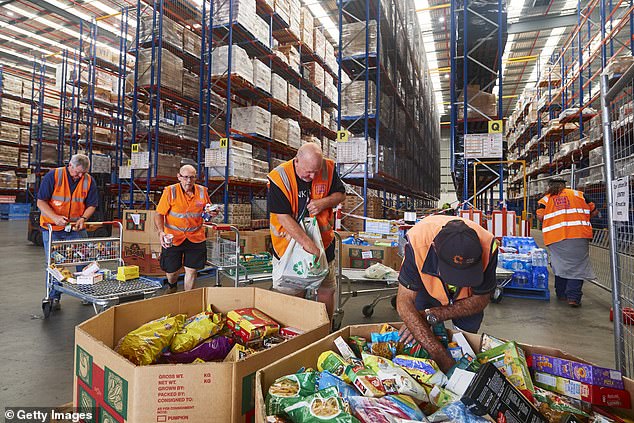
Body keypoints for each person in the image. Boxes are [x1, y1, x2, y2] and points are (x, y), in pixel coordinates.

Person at [396, 215, 498, 372]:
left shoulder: (488, 245)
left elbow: (482, 298)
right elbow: (404, 302)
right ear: (435, 250)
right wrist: (441, 357)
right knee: (421, 334)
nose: (458, 281)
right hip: (426, 289)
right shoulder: (418, 242)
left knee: (466, 343)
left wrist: (434, 314)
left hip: (468, 298)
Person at [267, 143, 346, 318]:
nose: (312, 176)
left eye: (316, 172)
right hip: (289, 247)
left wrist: (323, 203)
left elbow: (341, 194)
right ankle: (298, 331)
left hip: (324, 245)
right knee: (294, 293)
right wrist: (308, 245)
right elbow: (283, 217)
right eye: (308, 172)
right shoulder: (280, 177)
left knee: (326, 291)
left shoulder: (328, 169)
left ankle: (325, 328)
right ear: (296, 161)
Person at [37, 154, 99, 310]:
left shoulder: (89, 180)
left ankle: (86, 293)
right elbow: (41, 201)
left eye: (83, 173)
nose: (79, 176)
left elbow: (92, 204)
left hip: (75, 227)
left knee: (84, 260)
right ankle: (53, 297)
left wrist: (83, 218)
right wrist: (55, 217)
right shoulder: (54, 176)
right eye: (77, 172)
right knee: (54, 264)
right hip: (53, 227)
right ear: (70, 165)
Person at [536, 178, 598, 307]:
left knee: (560, 265)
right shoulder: (579, 195)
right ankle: (573, 298)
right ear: (565, 185)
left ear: (550, 186)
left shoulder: (545, 200)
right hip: (579, 235)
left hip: (555, 237)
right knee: (578, 266)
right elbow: (594, 210)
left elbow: (540, 216)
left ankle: (561, 294)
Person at [154, 165, 214, 293]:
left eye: (192, 177)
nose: (188, 181)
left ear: (195, 178)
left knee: (191, 271)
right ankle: (172, 285)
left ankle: (187, 298)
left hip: (196, 237)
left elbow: (206, 213)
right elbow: (159, 214)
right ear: (179, 177)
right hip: (173, 238)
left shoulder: (203, 191)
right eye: (185, 177)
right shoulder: (170, 191)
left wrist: (211, 213)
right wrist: (161, 232)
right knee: (172, 271)